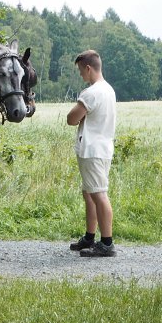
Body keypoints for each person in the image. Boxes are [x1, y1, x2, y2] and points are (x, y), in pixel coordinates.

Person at [66, 50, 117, 257]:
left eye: (81, 70)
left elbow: (71, 119)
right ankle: (90, 236)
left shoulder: (92, 92)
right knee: (90, 193)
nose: (81, 75)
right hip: (102, 147)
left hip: (92, 150)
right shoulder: (109, 90)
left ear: (88, 68)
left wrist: (79, 116)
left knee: (98, 194)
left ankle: (106, 243)